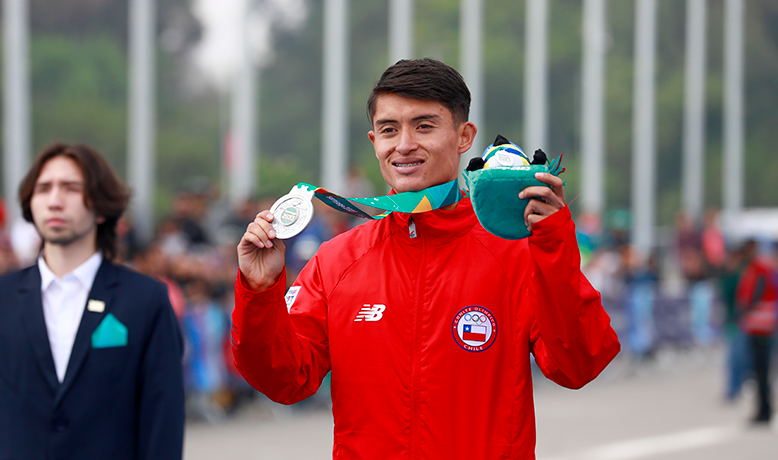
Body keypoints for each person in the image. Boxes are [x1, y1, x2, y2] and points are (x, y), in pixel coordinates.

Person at [232, 58, 620, 459]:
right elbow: (285, 380)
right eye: (389, 130)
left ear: (464, 135)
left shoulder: (515, 250)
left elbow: (579, 365)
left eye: (424, 125)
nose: (403, 145)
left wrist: (554, 244)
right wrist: (259, 291)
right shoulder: (337, 260)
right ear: (374, 142)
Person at [0, 143, 185, 459]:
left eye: (71, 188)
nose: (55, 201)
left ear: (100, 206)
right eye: (43, 188)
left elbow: (163, 418)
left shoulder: (145, 299)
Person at [735, 239, 777, 425]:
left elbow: (755, 294)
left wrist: (745, 310)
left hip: (759, 324)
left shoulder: (759, 267)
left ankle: (764, 412)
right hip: (765, 323)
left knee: (760, 371)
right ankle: (764, 410)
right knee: (762, 370)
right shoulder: (766, 268)